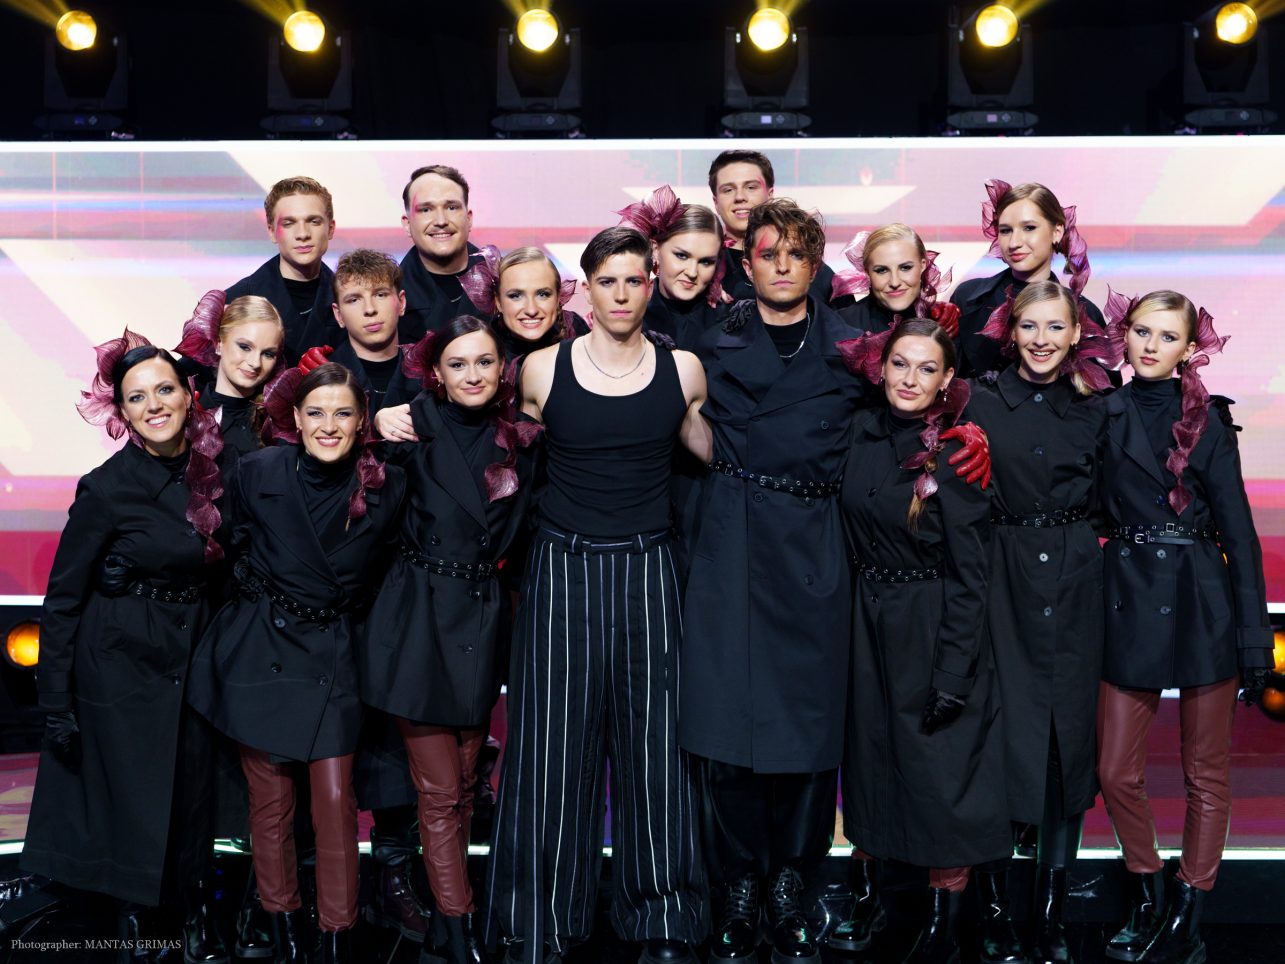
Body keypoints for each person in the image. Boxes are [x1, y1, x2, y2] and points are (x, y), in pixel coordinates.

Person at [680, 200, 989, 964]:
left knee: (810, 734)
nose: (782, 266)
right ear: (744, 263)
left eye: (796, 254)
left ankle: (792, 883)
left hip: (815, 549)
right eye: (768, 253)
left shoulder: (853, 347)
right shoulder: (710, 340)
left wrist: (964, 442)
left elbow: (907, 414)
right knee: (724, 730)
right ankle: (739, 885)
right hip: (730, 541)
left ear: (816, 265)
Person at [485, 226, 710, 964]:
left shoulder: (683, 370)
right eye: (606, 281)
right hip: (562, 570)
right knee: (550, 752)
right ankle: (540, 921)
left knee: (658, 751)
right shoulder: (541, 370)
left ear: (651, 285)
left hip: (649, 569)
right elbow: (500, 461)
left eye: (633, 280)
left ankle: (665, 919)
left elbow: (723, 461)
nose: (621, 294)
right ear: (583, 289)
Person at [187, 362, 406, 963]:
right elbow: (225, 544)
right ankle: (283, 935)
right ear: (294, 419)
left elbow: (389, 566)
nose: (328, 426)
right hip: (264, 651)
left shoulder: (387, 485)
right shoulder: (258, 471)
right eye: (316, 413)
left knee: (336, 802)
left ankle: (337, 939)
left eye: (342, 413)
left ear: (362, 421)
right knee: (271, 805)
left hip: (334, 653)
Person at [22, 332, 227, 961]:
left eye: (164, 390)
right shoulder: (106, 488)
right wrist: (55, 701)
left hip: (191, 656)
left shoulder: (219, 472)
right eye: (138, 398)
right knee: (132, 805)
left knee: (188, 799)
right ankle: (136, 933)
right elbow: (63, 599)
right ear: (123, 413)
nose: (154, 405)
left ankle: (180, 924)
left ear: (189, 395)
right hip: (118, 663)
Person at [1096, 290, 1272, 964]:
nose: (1149, 346)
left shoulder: (1209, 420)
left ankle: (1189, 909)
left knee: (1206, 772)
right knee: (1115, 770)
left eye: (1166, 336)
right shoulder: (1102, 411)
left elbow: (1239, 534)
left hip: (1202, 597)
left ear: (1188, 349)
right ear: (1124, 333)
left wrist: (1253, 637)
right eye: (1141, 331)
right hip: (1127, 593)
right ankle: (1147, 889)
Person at [362, 316, 540, 964]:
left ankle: (445, 914)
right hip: (417, 621)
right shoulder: (408, 426)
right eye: (458, 364)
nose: (472, 375)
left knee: (464, 785)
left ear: (502, 370)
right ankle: (459, 930)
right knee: (439, 792)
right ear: (435, 372)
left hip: (481, 617)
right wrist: (372, 425)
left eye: (483, 362)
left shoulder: (520, 438)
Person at [839, 319, 1009, 964]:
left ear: (947, 380)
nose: (910, 379)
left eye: (926, 368)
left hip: (931, 620)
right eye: (900, 364)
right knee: (871, 764)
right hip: (866, 620)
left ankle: (945, 920)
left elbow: (972, 575)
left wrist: (955, 671)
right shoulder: (859, 431)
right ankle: (871, 899)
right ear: (880, 367)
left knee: (942, 774)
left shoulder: (958, 452)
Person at [966, 280, 1116, 964]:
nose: (1042, 339)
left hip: (1075, 581)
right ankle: (996, 911)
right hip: (999, 576)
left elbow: (1113, 497)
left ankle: (1051, 915)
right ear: (1010, 331)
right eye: (1029, 326)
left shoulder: (1096, 407)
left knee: (1065, 745)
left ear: (1076, 333)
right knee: (996, 738)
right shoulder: (976, 400)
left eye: (1056, 327)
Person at [327, 247, 436, 945]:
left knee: (403, 726)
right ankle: (321, 885)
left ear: (400, 301)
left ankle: (396, 877)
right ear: (337, 314)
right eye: (354, 300)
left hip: (413, 575)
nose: (369, 310)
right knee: (331, 728)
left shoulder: (432, 374)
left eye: (379, 296)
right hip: (337, 579)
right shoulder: (320, 378)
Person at [175, 290, 288, 959]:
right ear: (217, 341)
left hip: (255, 609)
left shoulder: (279, 421)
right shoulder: (185, 412)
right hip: (192, 608)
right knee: (193, 767)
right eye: (244, 346)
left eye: (268, 353)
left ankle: (255, 911)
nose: (254, 362)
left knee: (259, 771)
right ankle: (193, 915)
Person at [951, 180, 1105, 378]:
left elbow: (1100, 391)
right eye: (1005, 230)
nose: (1014, 242)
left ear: (1057, 232)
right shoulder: (968, 298)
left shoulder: (1085, 313)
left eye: (1029, 228)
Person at [226, 176, 339, 365]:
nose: (303, 234)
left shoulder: (351, 300)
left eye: (314, 221)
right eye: (289, 223)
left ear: (331, 229)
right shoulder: (235, 301)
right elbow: (188, 373)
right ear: (272, 232)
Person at [707, 150, 836, 307]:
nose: (740, 197)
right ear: (716, 202)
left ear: (770, 195)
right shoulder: (704, 270)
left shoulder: (815, 273)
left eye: (751, 187)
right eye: (728, 190)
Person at [617, 184, 729, 350]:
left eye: (706, 262)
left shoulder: (731, 321)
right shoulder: (627, 316)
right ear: (655, 250)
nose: (692, 272)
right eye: (682, 256)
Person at [399, 165, 488, 342]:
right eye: (425, 210)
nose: (441, 221)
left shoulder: (503, 281)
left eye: (452, 207)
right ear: (407, 224)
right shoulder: (389, 296)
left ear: (469, 219)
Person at [832, 223, 960, 338]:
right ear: (867, 272)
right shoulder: (839, 326)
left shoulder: (943, 321)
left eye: (905, 268)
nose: (894, 282)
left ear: (923, 265)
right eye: (882, 270)